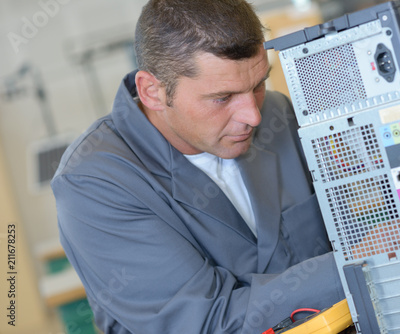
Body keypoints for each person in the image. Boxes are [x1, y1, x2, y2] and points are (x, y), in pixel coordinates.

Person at [52, 0, 344, 333]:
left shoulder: (277, 114)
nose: (253, 116)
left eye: (259, 84)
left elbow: (349, 226)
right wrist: (355, 264)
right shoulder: (93, 185)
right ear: (152, 91)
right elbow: (208, 323)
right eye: (222, 97)